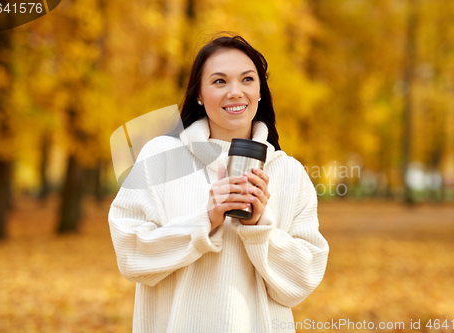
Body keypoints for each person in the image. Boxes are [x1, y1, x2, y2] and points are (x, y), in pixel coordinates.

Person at [108, 34, 329, 333]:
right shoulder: (159, 157)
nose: (235, 92)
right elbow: (130, 254)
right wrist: (205, 220)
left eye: (247, 79)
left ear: (260, 90)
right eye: (219, 81)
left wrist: (259, 227)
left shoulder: (289, 173)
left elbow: (301, 280)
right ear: (199, 94)